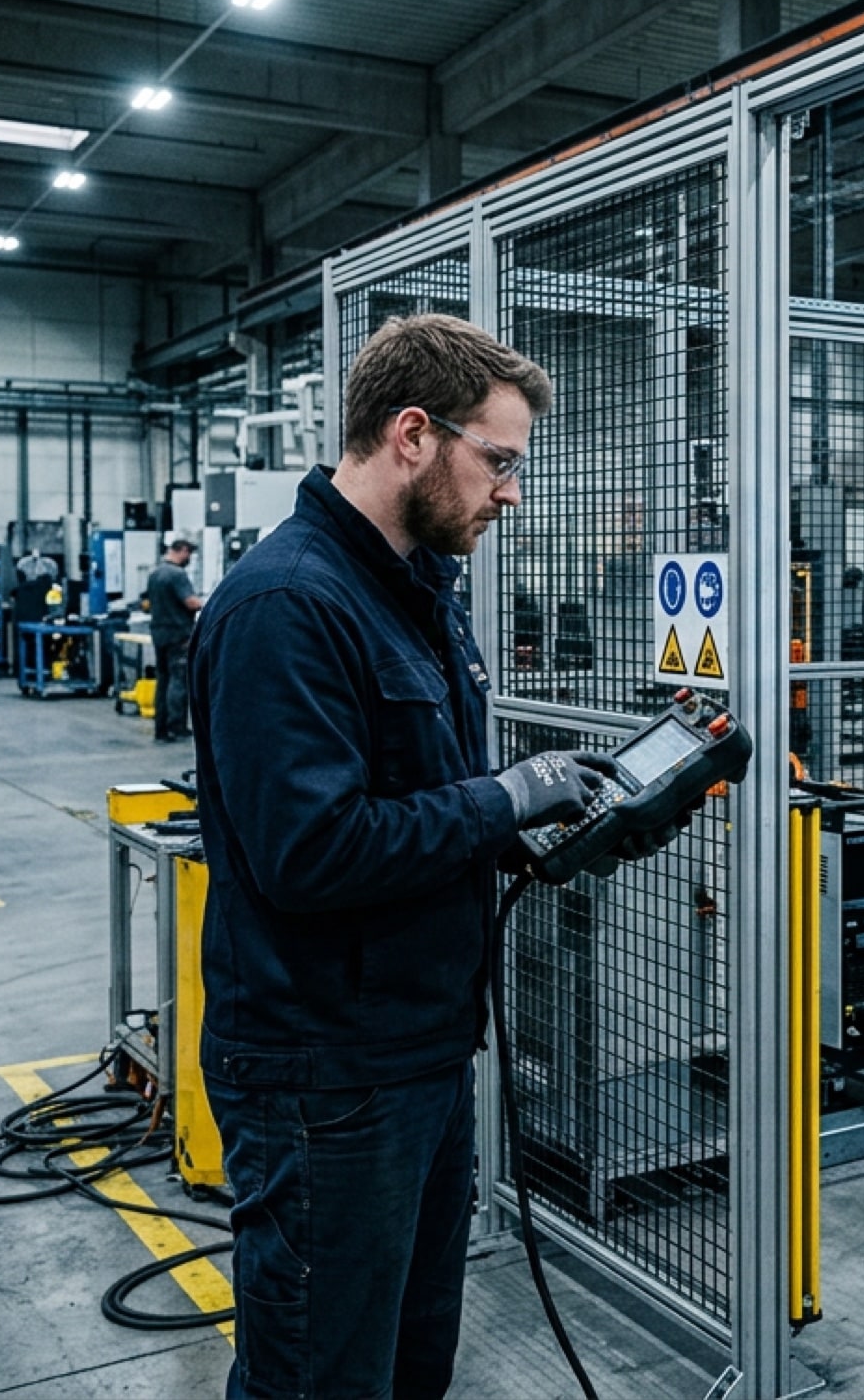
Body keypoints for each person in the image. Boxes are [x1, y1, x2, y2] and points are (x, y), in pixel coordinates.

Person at [189, 314, 621, 1399]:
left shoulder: (416, 590)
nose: (510, 493)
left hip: (416, 1054)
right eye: (502, 461)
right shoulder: (290, 605)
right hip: (324, 1077)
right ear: (414, 434)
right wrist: (496, 800)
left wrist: (519, 825)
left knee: (410, 1361)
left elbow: (409, 800)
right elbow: (310, 851)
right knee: (324, 1376)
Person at [145, 537, 204, 742]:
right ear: (182, 550)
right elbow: (191, 602)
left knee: (163, 680)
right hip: (179, 635)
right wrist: (208, 602)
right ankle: (176, 727)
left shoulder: (155, 573)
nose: (189, 558)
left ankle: (160, 727)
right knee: (178, 681)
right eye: (189, 554)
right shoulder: (177, 574)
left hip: (159, 634)